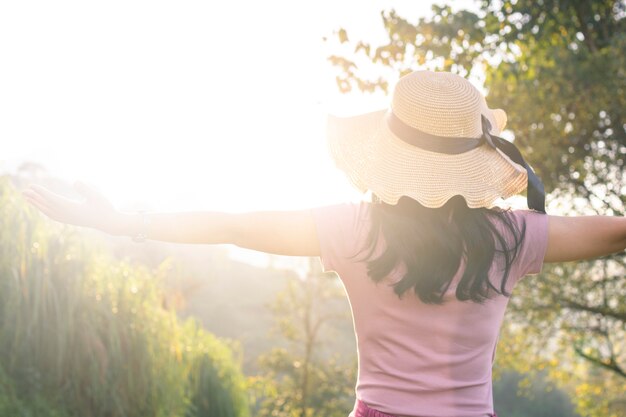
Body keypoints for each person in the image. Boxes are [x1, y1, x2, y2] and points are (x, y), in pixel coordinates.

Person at [23, 70, 626, 417]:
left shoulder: (356, 229)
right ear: (476, 157)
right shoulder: (510, 238)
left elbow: (232, 223)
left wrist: (122, 222)